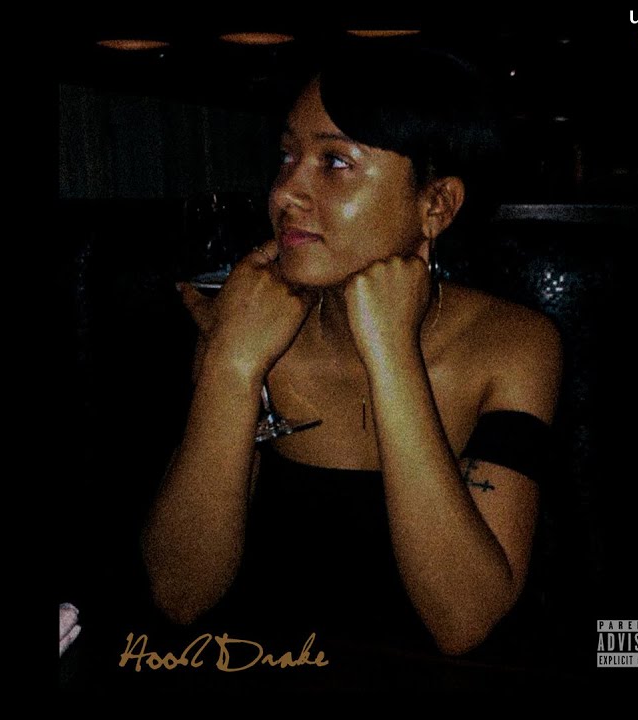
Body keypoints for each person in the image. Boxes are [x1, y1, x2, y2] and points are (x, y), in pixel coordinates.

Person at [142, 45, 563, 665]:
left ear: (436, 206)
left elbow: (464, 620)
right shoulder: (247, 327)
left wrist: (390, 353)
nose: (285, 193)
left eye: (335, 161)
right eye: (287, 156)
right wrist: (231, 361)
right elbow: (179, 594)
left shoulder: (514, 345)